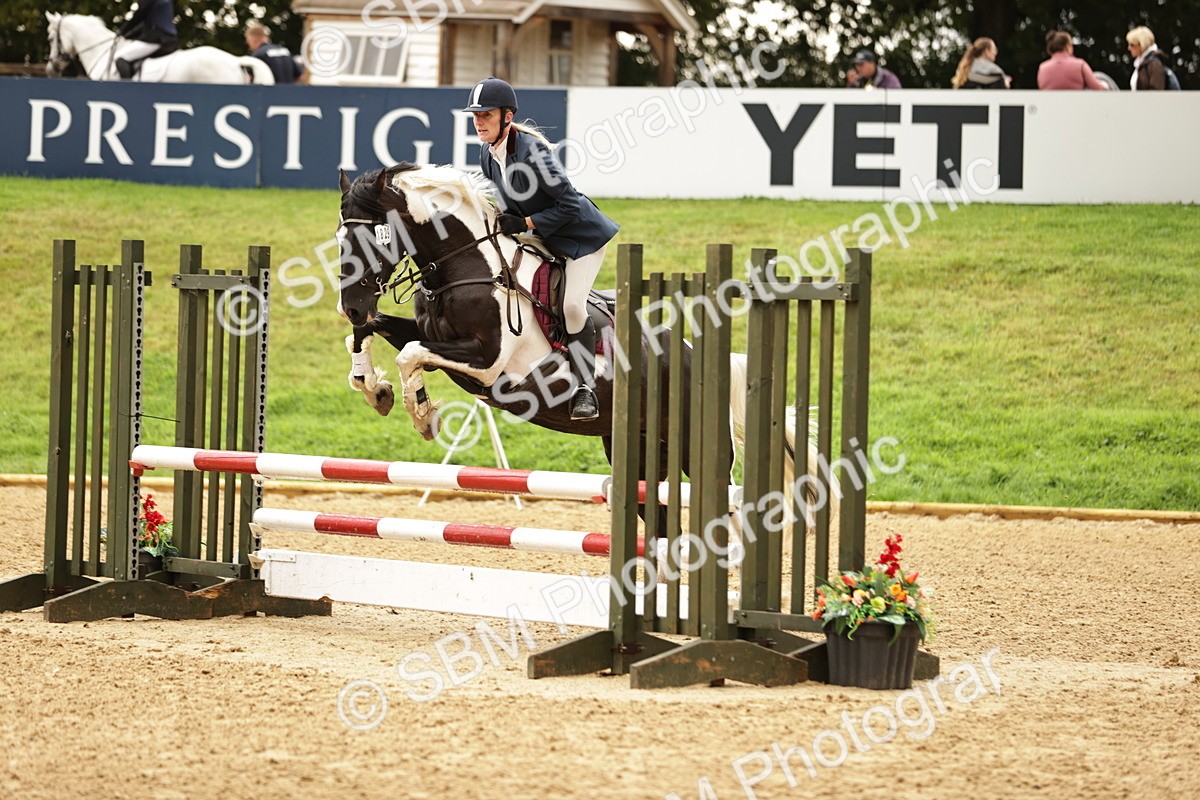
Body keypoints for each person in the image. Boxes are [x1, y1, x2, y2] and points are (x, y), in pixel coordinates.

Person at [466, 77, 619, 422]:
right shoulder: (488, 155)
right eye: (475, 115)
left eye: (486, 115)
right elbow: (511, 207)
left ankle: (585, 389)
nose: (478, 122)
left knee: (572, 306)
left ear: (507, 117)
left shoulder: (533, 152)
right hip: (545, 238)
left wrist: (526, 224)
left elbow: (569, 206)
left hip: (581, 240)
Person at [113, 0, 179, 80]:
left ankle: (128, 89)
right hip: (171, 39)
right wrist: (128, 35)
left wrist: (122, 31)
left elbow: (139, 15)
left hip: (156, 39)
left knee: (120, 56)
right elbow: (147, 24)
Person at [1037, 31, 1107, 90]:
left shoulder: (1042, 68)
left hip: (1051, 105)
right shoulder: (1080, 64)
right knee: (1100, 77)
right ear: (1067, 46)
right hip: (1077, 104)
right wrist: (1105, 86)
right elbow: (1097, 88)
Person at [1126, 27, 1168, 91]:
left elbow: (1156, 94)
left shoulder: (1154, 64)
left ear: (1142, 44)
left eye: (1132, 44)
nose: (1129, 48)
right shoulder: (1142, 64)